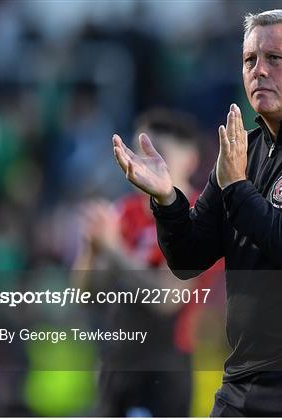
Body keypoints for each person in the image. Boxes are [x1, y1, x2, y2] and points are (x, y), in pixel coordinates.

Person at [112, 9, 282, 417]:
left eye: (275, 58)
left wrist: (238, 189)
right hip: (247, 375)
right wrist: (168, 199)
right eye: (249, 60)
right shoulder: (246, 150)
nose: (259, 70)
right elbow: (188, 258)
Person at [74, 109, 209, 416]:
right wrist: (92, 249)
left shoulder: (198, 215)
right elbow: (86, 294)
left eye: (157, 151)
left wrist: (114, 247)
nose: (144, 162)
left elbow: (166, 298)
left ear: (190, 159)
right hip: (118, 362)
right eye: (139, 150)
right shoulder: (126, 212)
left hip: (164, 369)